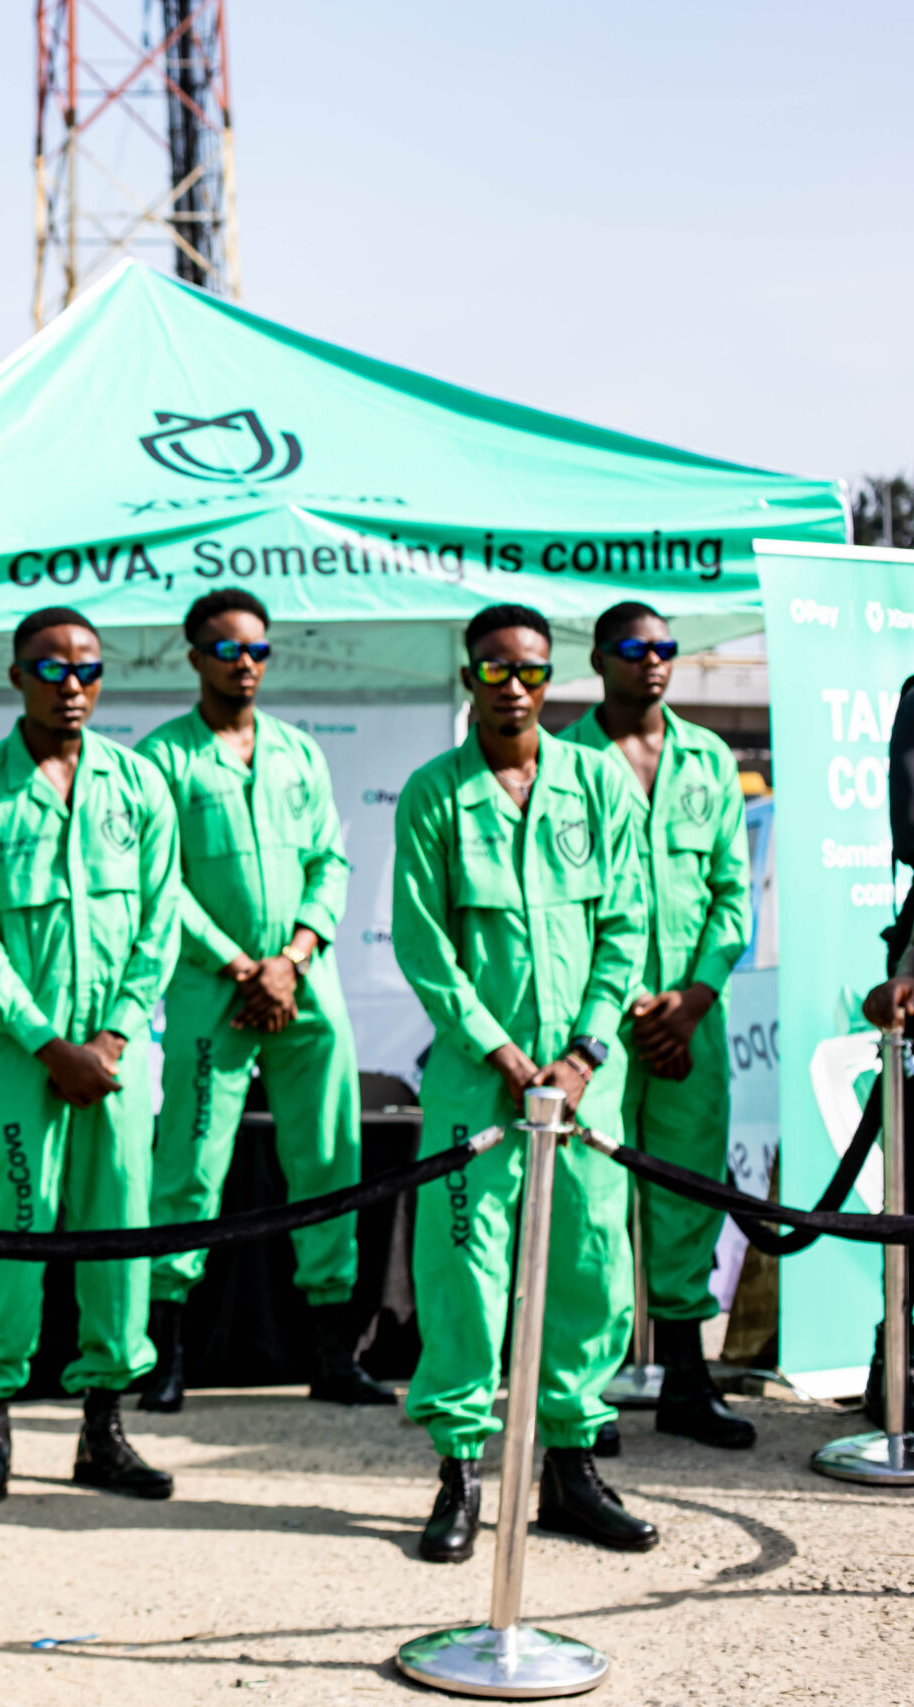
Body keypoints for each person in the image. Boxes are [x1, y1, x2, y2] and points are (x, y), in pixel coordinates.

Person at [393, 603, 653, 1564]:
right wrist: (500, 1053)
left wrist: (583, 1053)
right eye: (496, 670)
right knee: (465, 1276)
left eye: (533, 671)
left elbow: (627, 924)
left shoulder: (595, 782)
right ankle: (461, 1471)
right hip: (480, 1088)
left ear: (554, 680)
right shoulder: (434, 794)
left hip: (584, 1086)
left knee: (590, 1269)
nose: (514, 687)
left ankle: (572, 1471)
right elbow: (426, 946)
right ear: (469, 677)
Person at [0, 606, 180, 1504]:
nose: (71, 685)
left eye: (87, 669)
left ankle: (103, 1428)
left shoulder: (140, 785)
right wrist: (49, 1042)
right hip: (20, 1055)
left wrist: (112, 1035)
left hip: (118, 1056)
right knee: (8, 1234)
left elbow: (160, 919)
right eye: (51, 669)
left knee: (119, 1235)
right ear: (17, 678)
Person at [136, 589, 389, 1413]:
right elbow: (160, 884)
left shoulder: (297, 753)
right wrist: (244, 965)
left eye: (257, 650)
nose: (243, 663)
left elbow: (331, 863)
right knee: (190, 1167)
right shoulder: (162, 759)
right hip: (216, 992)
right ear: (194, 655)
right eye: (225, 648)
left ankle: (333, 1354)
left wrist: (292, 957)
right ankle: (167, 1354)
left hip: (304, 989)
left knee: (328, 1158)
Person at [555, 601, 754, 1451]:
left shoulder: (710, 758)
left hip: (690, 1022)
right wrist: (627, 1003)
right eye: (636, 649)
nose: (655, 662)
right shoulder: (562, 761)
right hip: (598, 1021)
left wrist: (693, 998)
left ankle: (686, 1380)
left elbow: (731, 895)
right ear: (600, 659)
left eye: (667, 649)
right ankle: (584, 1394)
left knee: (685, 1195)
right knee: (594, 1204)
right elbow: (566, 896)